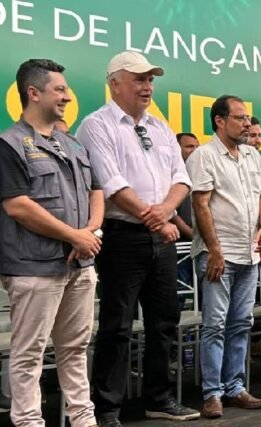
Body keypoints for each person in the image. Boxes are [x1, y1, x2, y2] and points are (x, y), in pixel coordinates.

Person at [77, 51, 199, 425]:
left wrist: (165, 212)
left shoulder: (160, 127)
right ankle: (107, 408)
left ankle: (158, 399)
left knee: (165, 320)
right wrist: (156, 218)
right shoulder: (96, 125)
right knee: (117, 325)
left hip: (162, 238)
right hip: (122, 238)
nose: (147, 87)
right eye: (139, 79)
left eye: (150, 80)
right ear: (115, 83)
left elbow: (181, 178)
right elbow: (111, 184)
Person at [0, 59, 103, 427]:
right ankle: (29, 421)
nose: (68, 96)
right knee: (29, 353)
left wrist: (89, 232)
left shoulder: (72, 144)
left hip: (80, 264)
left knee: (75, 348)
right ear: (33, 93)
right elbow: (18, 206)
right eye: (59, 90)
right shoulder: (9, 144)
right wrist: (74, 236)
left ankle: (83, 419)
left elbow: (97, 191)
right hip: (34, 268)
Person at [186, 95, 261, 417]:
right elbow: (200, 204)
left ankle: (235, 387)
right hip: (219, 255)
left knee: (241, 323)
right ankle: (212, 393)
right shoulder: (204, 156)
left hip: (249, 254)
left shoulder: (251, 154)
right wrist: (215, 250)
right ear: (219, 121)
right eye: (240, 118)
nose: (247, 124)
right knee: (215, 325)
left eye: (247, 118)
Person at [173, 133, 199, 241]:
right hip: (179, 240)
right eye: (189, 146)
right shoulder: (169, 174)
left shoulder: (202, 172)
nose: (195, 150)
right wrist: (192, 234)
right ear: (176, 148)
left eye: (197, 147)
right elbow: (171, 213)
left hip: (202, 240)